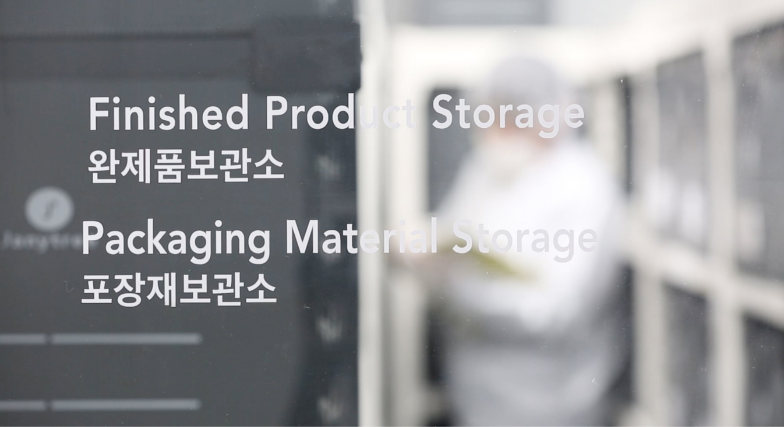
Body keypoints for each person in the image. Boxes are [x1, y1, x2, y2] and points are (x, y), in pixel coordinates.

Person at [421, 57, 627, 427]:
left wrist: (459, 290)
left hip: (548, 405)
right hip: (477, 396)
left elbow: (555, 310)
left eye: (509, 118)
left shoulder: (584, 187)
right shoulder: (485, 171)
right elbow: (452, 231)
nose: (495, 132)